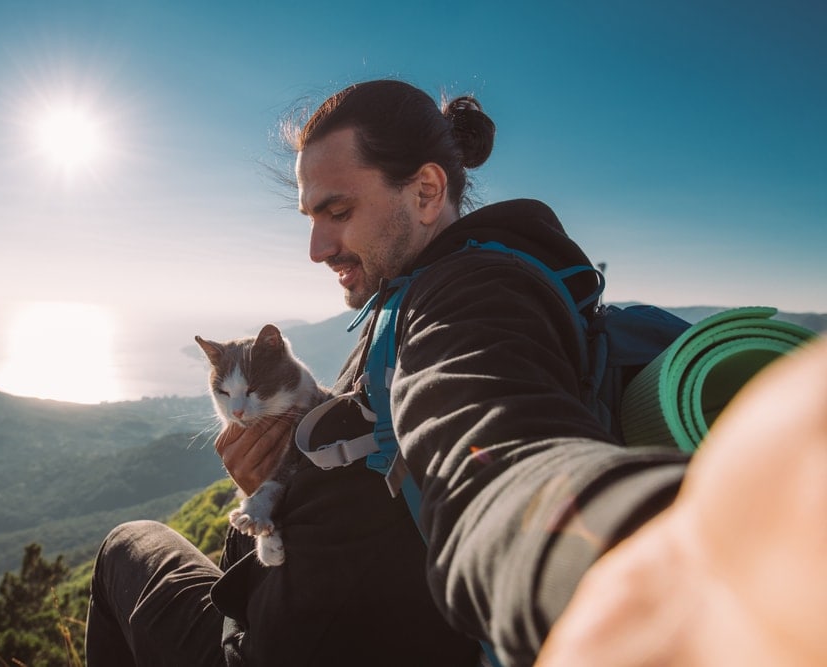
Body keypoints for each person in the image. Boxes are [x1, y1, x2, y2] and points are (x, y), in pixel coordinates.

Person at [86, 79, 827, 666]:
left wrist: (682, 579)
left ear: (427, 191)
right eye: (310, 215)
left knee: (126, 546)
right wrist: (276, 485)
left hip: (306, 641)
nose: (316, 246)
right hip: (346, 609)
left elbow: (495, 448)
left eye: (337, 211)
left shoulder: (466, 296)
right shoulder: (413, 292)